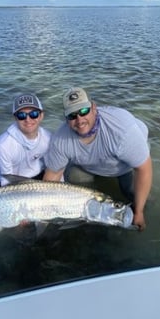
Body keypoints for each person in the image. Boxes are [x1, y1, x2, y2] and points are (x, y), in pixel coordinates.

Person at [43, 87, 152, 231]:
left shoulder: (122, 130)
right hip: (88, 164)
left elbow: (143, 168)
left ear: (93, 107)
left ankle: (145, 207)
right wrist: (40, 210)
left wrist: (139, 212)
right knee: (75, 177)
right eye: (72, 116)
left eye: (83, 111)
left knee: (135, 195)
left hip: (125, 165)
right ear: (66, 118)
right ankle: (89, 215)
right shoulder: (60, 139)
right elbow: (52, 177)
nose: (79, 120)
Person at [0, 93, 51, 187]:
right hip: (10, 182)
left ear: (41, 116)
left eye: (34, 114)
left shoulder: (48, 138)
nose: (28, 119)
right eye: (21, 115)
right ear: (15, 118)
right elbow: (6, 180)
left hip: (38, 176)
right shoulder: (2, 145)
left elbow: (53, 169)